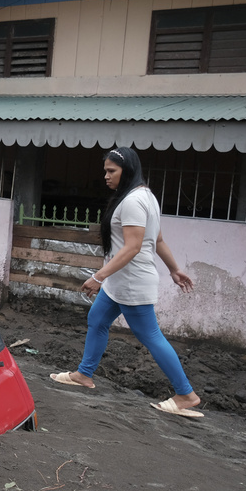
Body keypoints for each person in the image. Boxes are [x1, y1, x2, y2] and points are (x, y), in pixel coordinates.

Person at [50, 147, 202, 418]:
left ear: (127, 171)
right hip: (119, 283)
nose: (106, 176)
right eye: (106, 170)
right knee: (97, 319)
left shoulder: (133, 201)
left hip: (131, 283)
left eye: (111, 171)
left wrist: (98, 276)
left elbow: (132, 247)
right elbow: (157, 242)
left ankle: (186, 395)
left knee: (151, 336)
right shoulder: (146, 196)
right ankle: (83, 374)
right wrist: (175, 270)